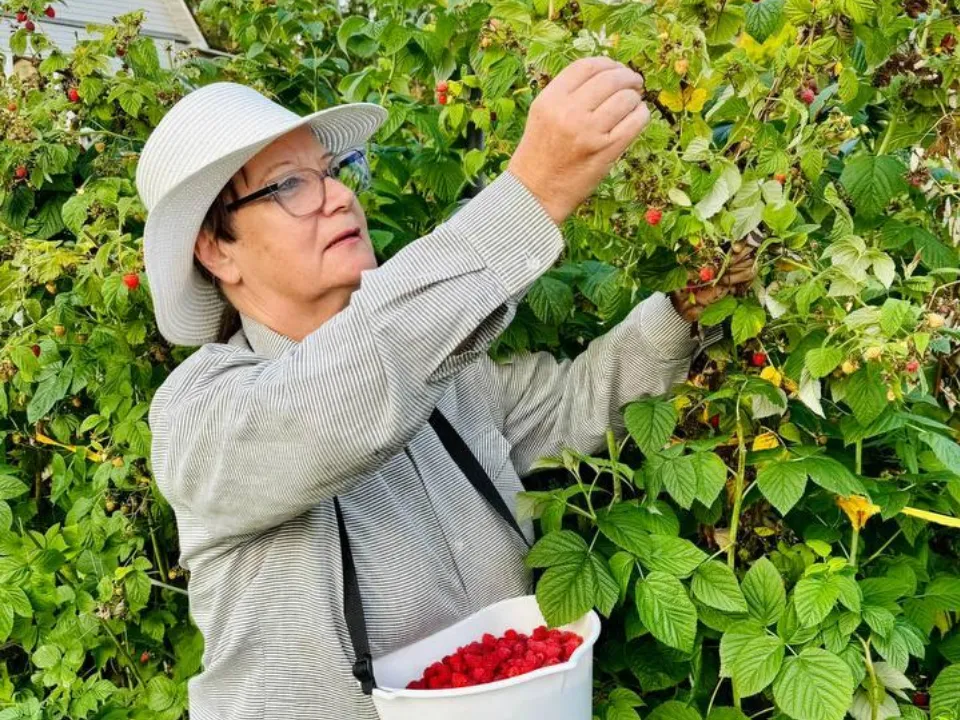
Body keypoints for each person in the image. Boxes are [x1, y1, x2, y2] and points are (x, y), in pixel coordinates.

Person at [136, 56, 755, 719]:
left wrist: (691, 306)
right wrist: (531, 194)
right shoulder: (201, 417)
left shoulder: (445, 371)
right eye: (289, 185)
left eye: (332, 173)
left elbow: (579, 403)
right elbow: (337, 403)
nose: (340, 197)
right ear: (215, 250)